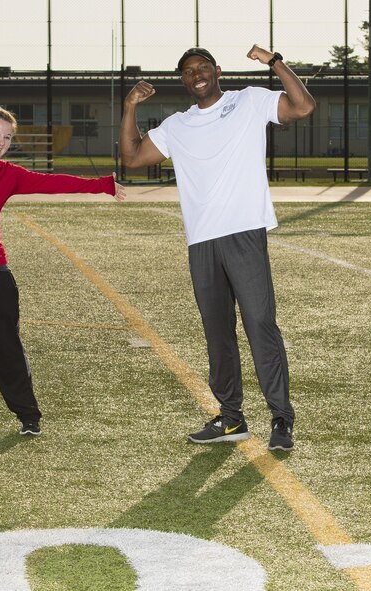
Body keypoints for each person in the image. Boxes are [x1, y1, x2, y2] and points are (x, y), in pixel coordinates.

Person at [0, 16, 125, 441]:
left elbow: (54, 183)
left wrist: (102, 185)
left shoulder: (8, 174)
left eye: (8, 137)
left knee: (6, 349)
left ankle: (27, 414)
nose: (2, 141)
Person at [120, 45, 315, 451]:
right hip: (202, 241)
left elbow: (302, 107)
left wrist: (275, 62)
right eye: (188, 71)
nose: (197, 75)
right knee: (218, 333)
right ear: (183, 80)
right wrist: (129, 107)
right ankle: (231, 418)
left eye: (203, 67)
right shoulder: (177, 125)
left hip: (244, 233)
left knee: (260, 324)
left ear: (217, 70)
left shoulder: (248, 100)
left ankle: (281, 418)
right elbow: (133, 158)